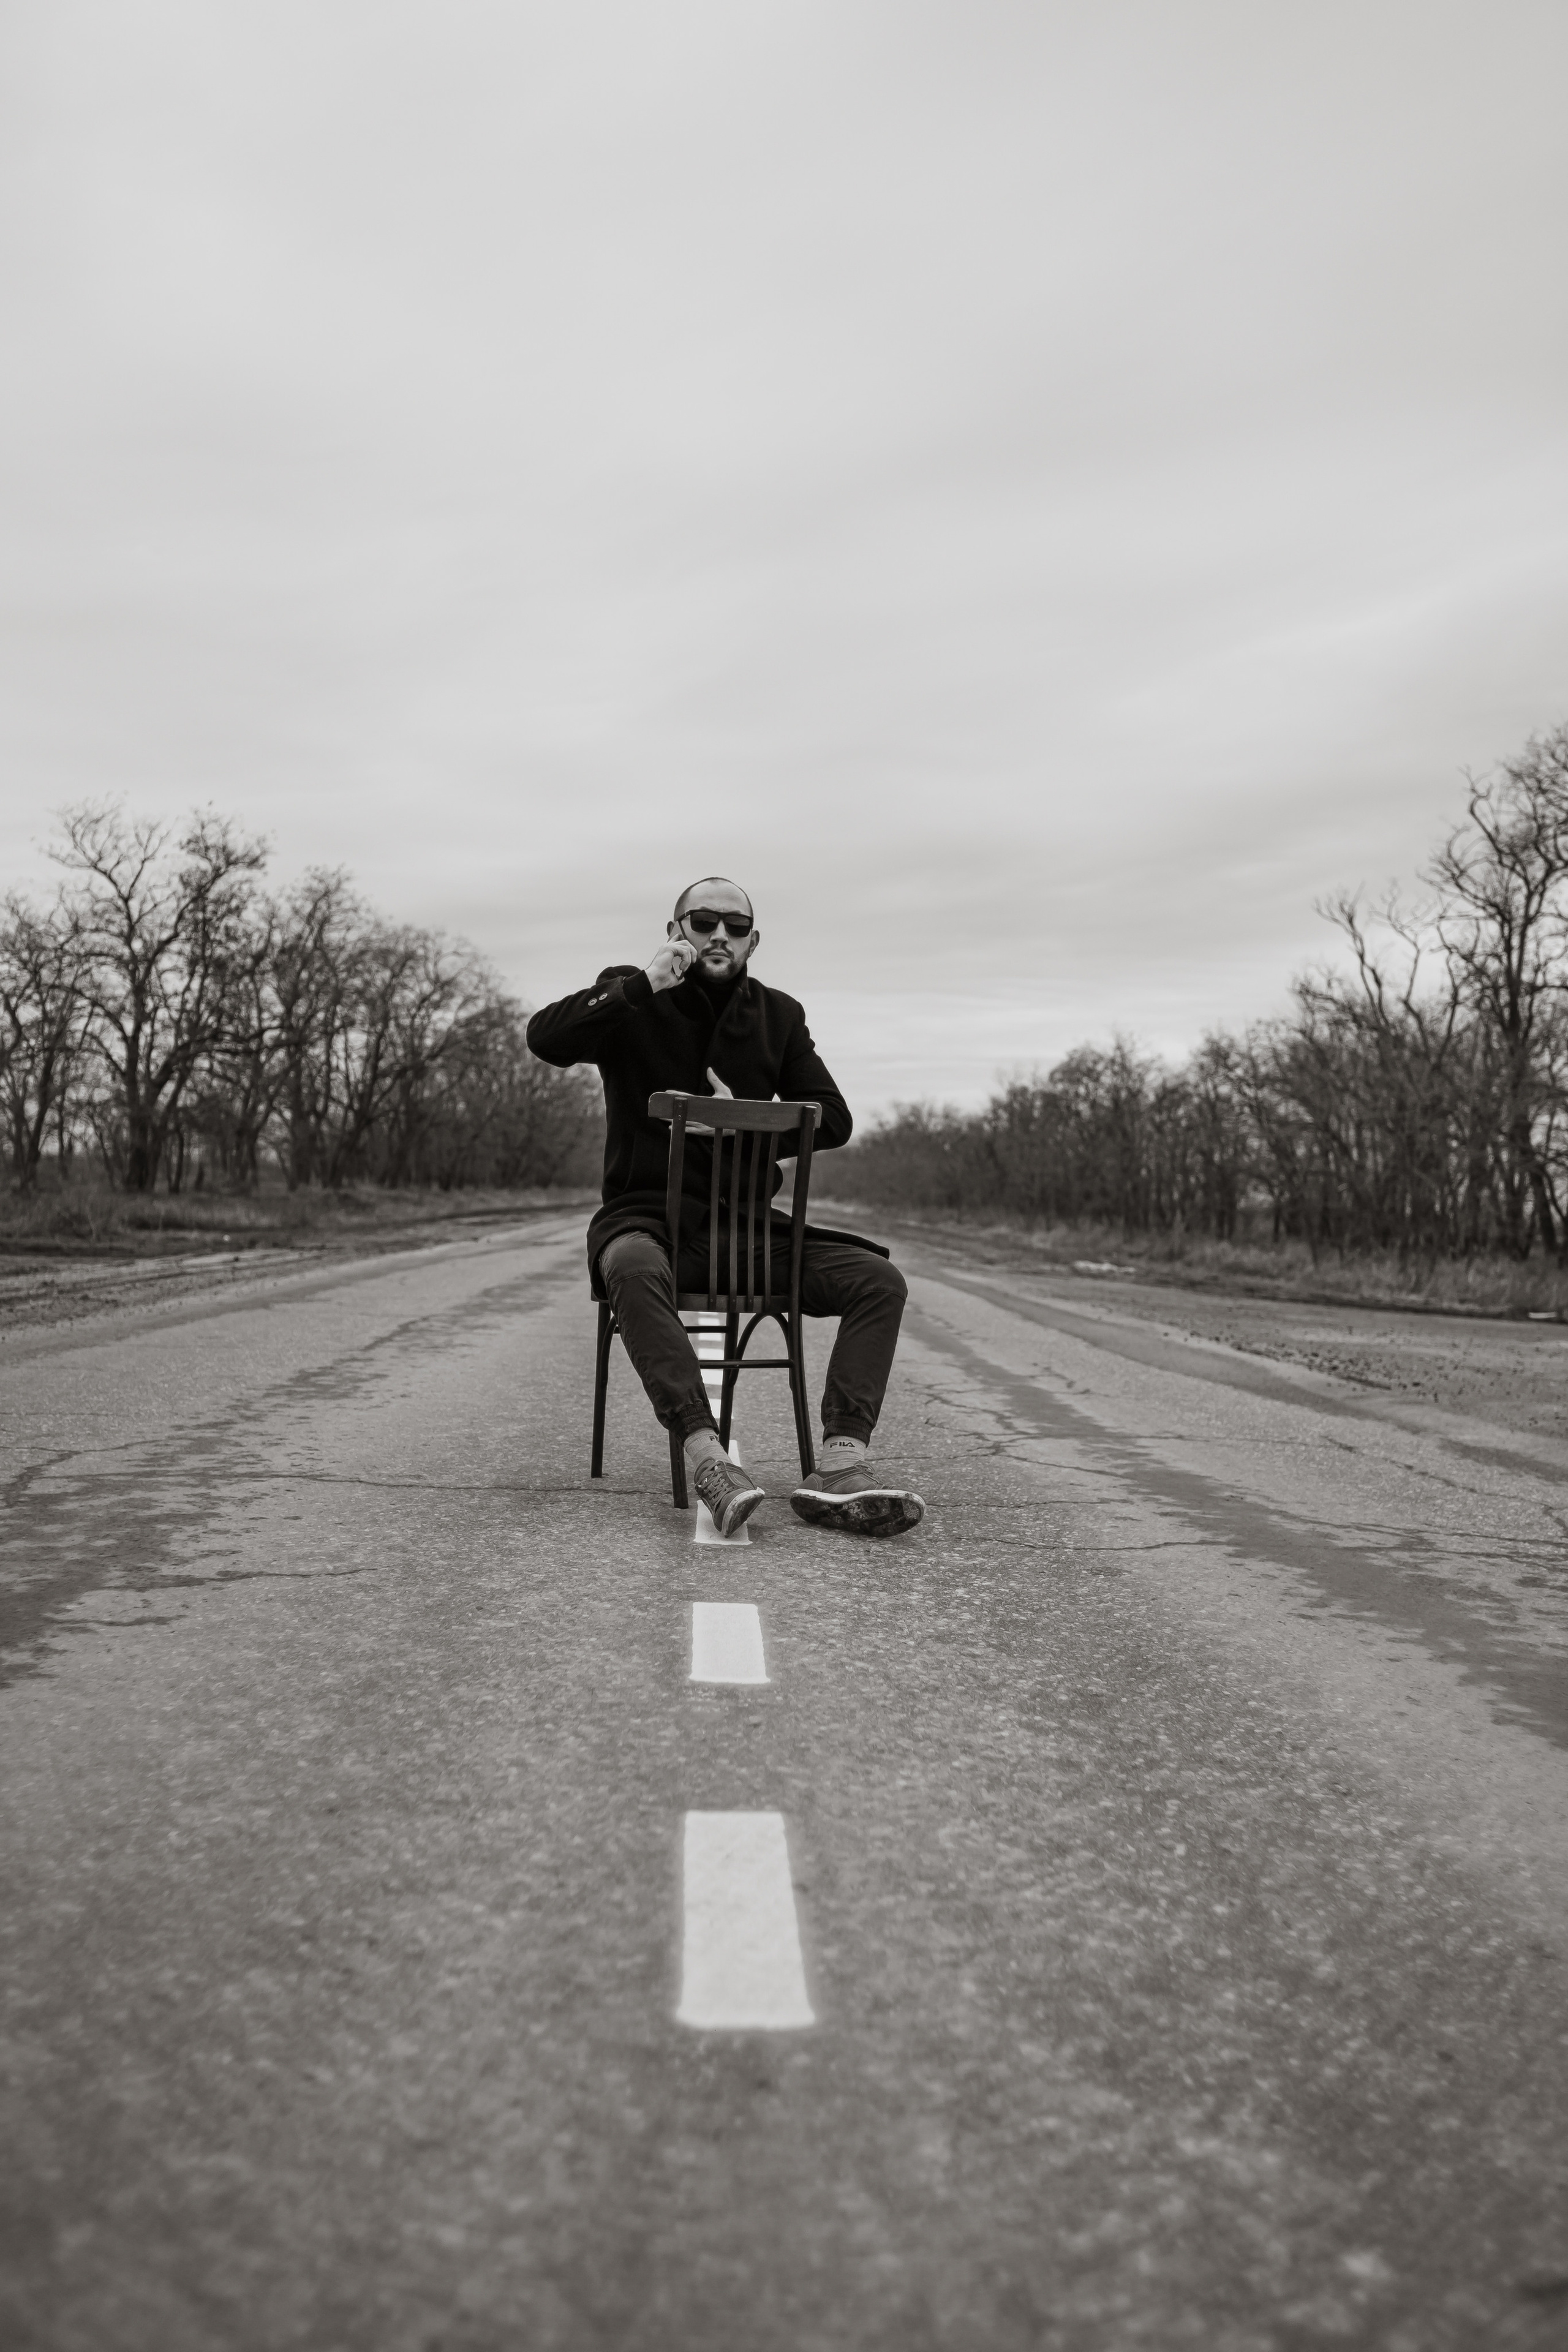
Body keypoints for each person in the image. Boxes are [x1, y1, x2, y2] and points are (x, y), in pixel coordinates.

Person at [526, 876, 924, 1540]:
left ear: (753, 941)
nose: (719, 934)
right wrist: (638, 987)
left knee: (878, 1281)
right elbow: (546, 1038)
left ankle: (842, 1466)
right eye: (703, 921)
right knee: (627, 1264)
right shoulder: (631, 995)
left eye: (734, 926)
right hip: (648, 1221)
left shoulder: (778, 1014)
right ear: (675, 930)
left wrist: (749, 1121)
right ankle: (707, 1456)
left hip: (748, 1235)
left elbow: (834, 1119)